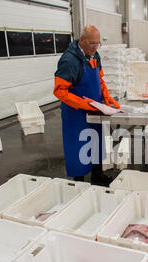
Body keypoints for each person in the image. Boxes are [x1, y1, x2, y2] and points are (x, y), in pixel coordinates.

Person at [53, 25, 120, 184]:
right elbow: (60, 91)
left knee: (96, 145)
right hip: (76, 115)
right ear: (81, 41)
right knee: (80, 149)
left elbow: (100, 78)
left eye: (98, 43)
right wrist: (84, 103)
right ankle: (79, 183)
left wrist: (106, 97)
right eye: (92, 43)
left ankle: (98, 177)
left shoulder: (94, 55)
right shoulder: (69, 61)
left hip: (95, 110)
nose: (95, 47)